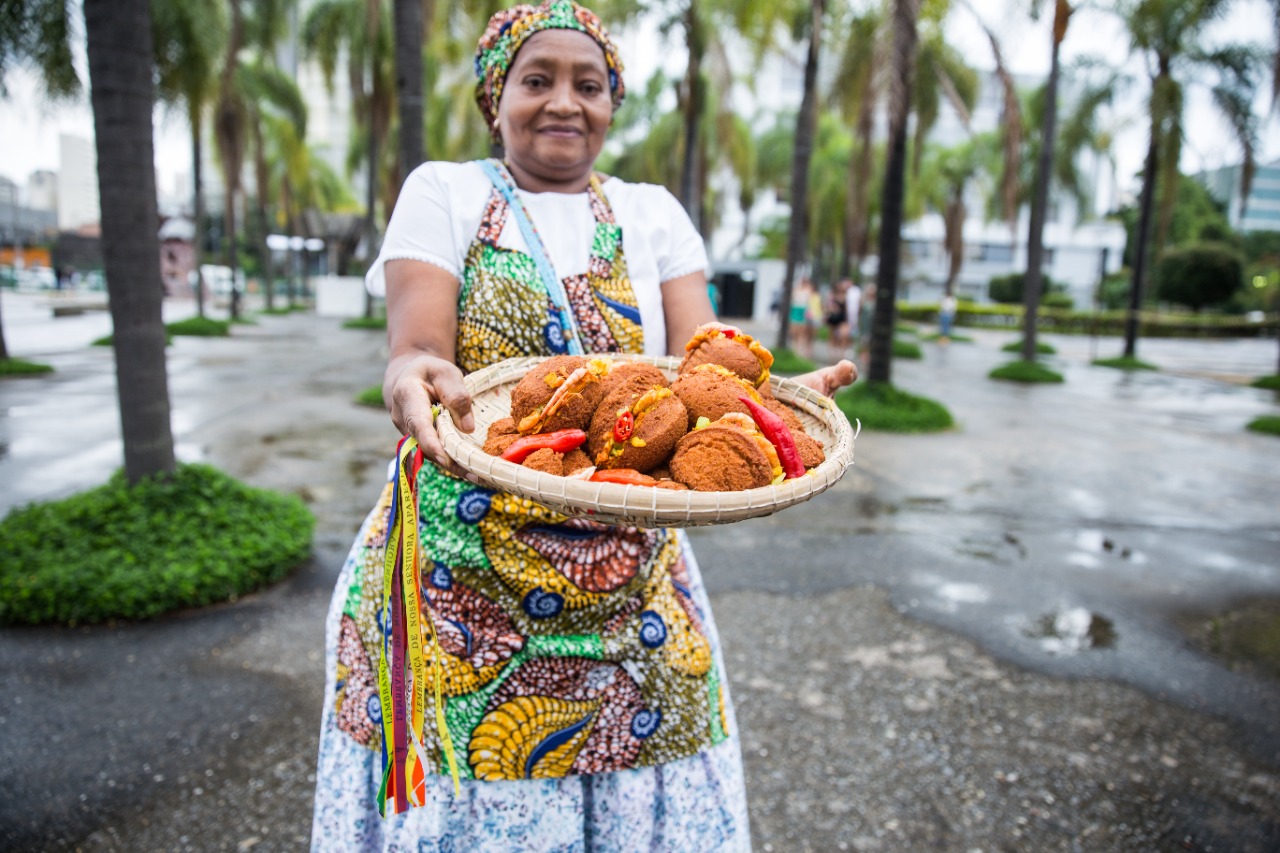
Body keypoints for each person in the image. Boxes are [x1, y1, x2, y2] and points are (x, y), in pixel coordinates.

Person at [309, 3, 857, 849]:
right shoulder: (445, 192)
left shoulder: (653, 213)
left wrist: (773, 408)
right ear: (496, 99)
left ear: (611, 104)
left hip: (626, 574)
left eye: (589, 84)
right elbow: (416, 346)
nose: (564, 101)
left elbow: (703, 364)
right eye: (538, 80)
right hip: (461, 574)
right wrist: (410, 375)